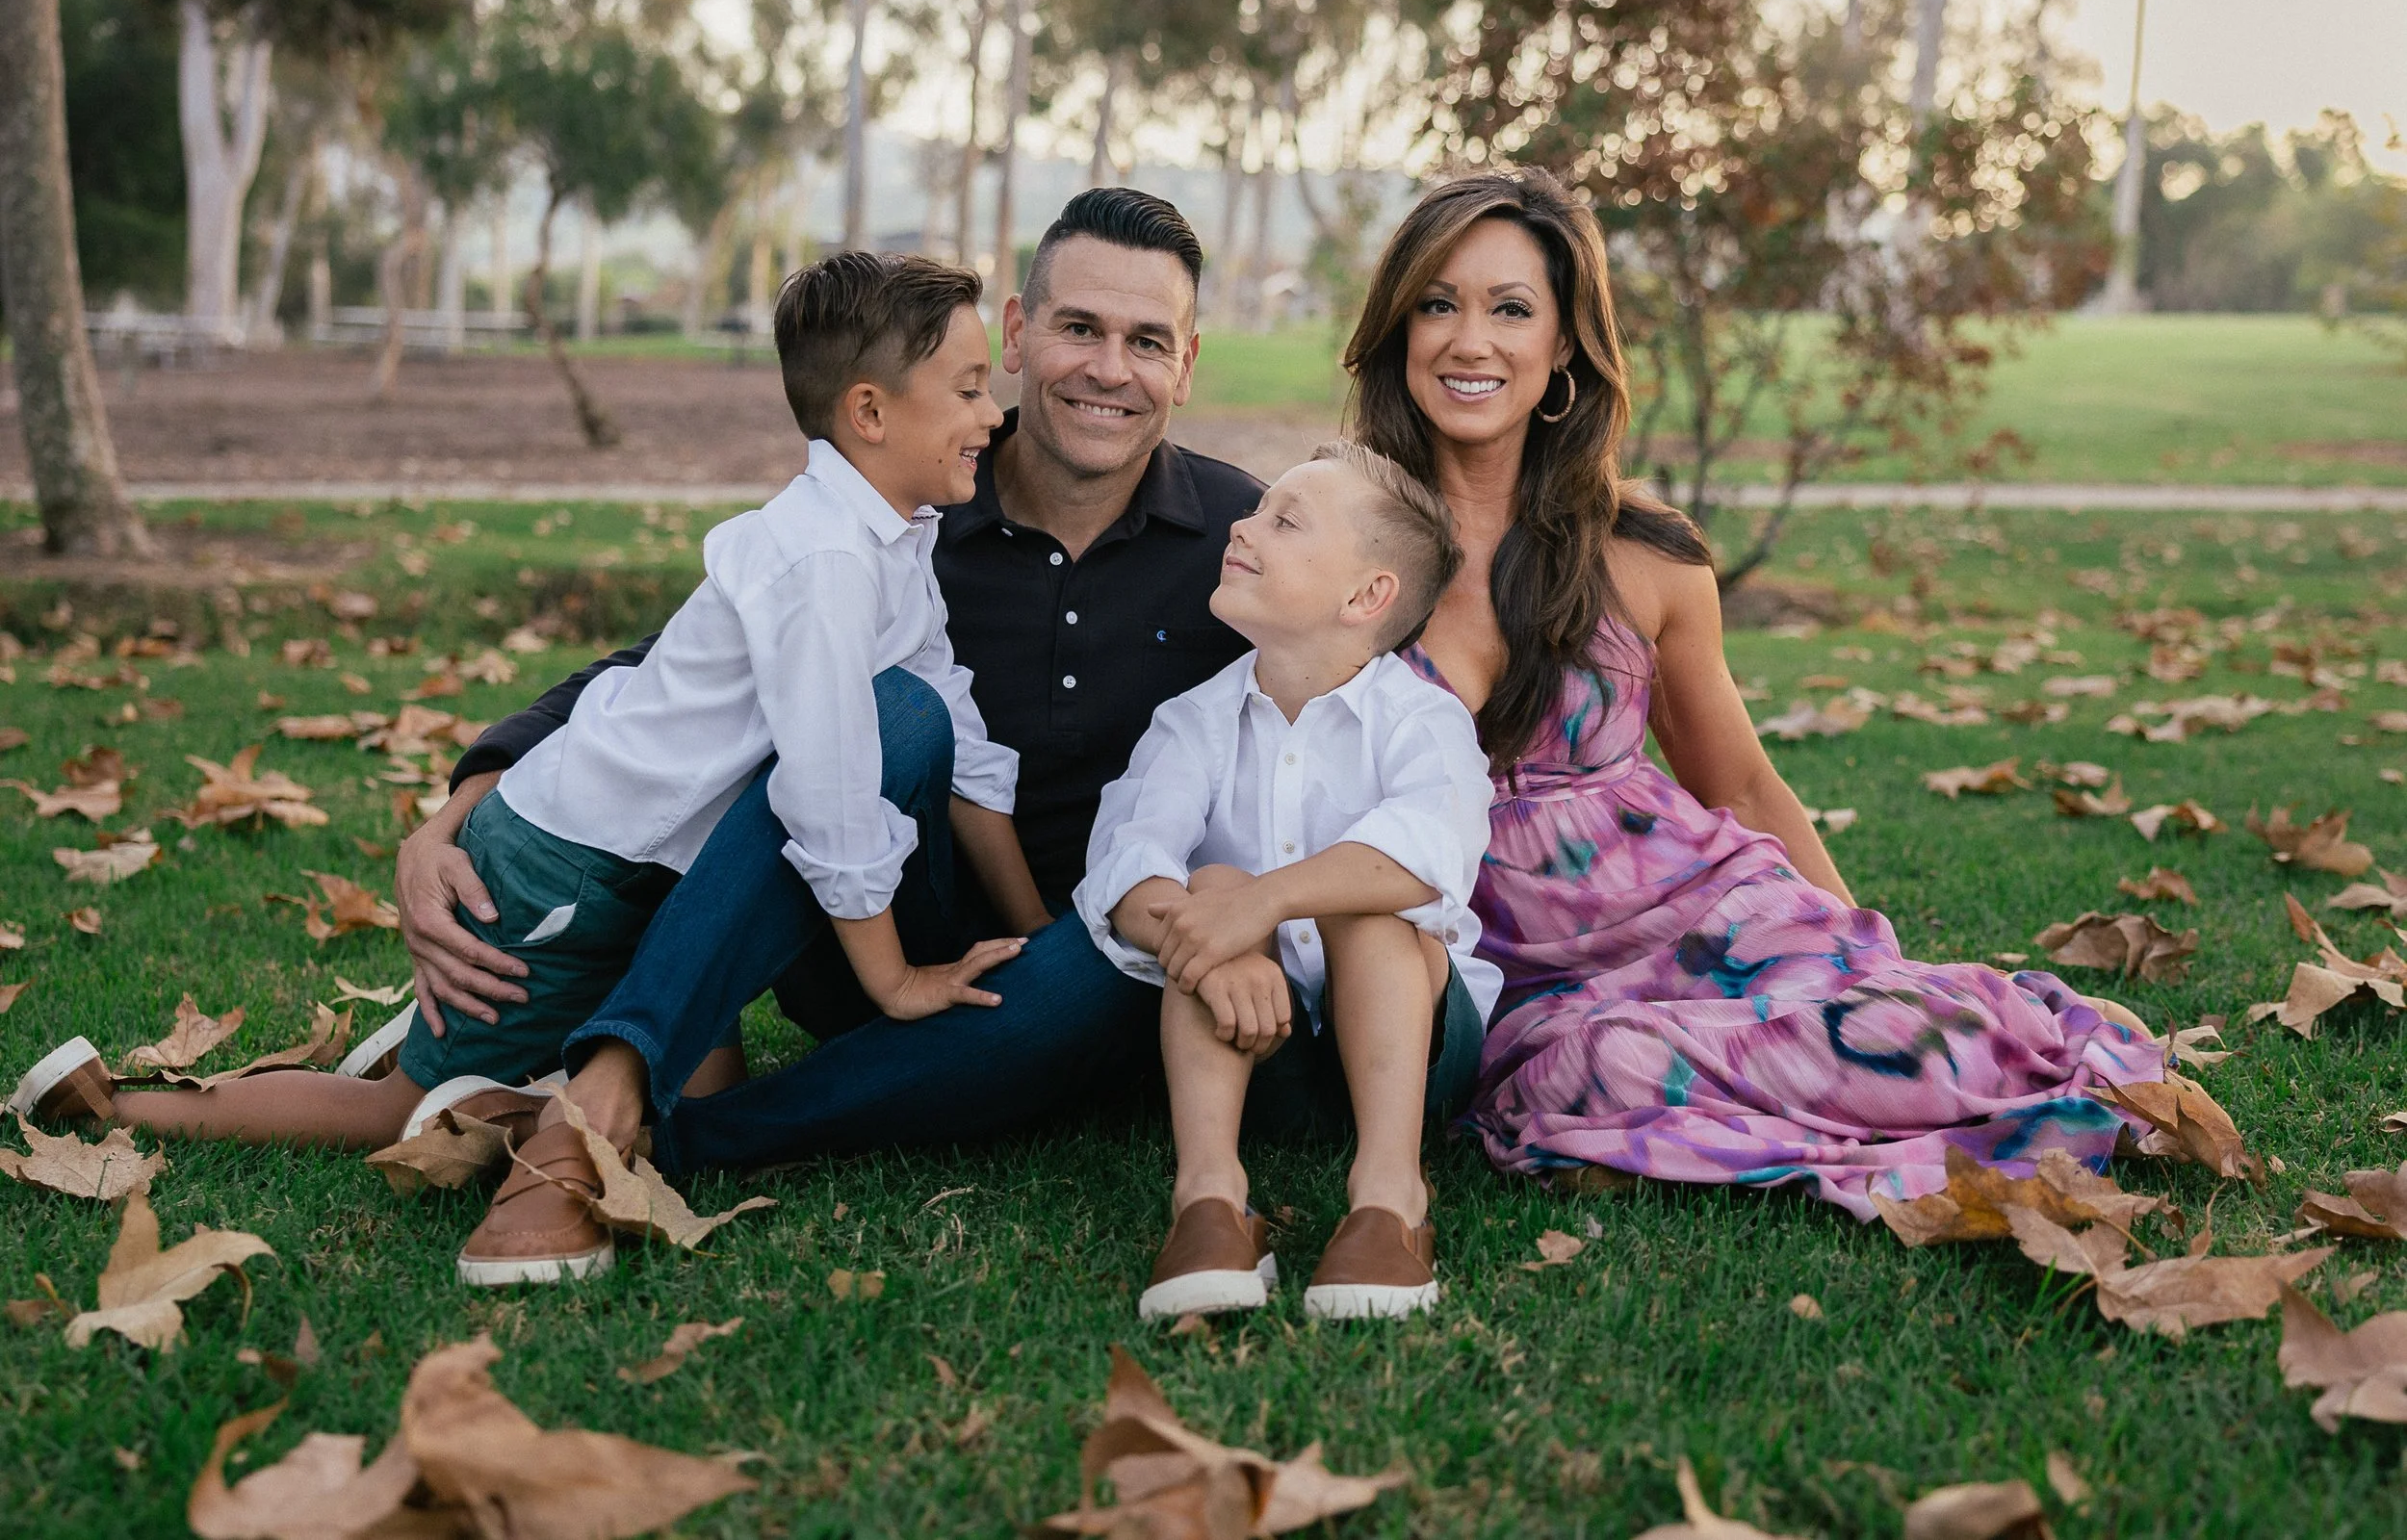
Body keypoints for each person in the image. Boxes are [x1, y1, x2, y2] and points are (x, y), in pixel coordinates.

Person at [7, 251, 1037, 1288]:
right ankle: (117, 1103)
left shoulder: (897, 538)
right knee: (397, 1108)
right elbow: (825, 794)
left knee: (703, 1101)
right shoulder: (823, 563)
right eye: (966, 387)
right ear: (868, 410)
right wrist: (894, 979)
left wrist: (1036, 931)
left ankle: (528, 1077)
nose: (993, 413)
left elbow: (957, 732)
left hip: (672, 872)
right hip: (570, 869)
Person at [393, 190, 1263, 1229]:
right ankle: (609, 1084)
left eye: (1147, 340)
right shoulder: (900, 493)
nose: (1110, 368)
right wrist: (462, 803)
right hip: (865, 929)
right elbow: (675, 661)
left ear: (1189, 361)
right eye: (1080, 328)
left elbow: (1342, 692)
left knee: (1107, 967)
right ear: (1023, 332)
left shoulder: (1244, 537)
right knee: (881, 718)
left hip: (1074, 949)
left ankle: (679, 1130)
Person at [1339, 168, 2164, 1218]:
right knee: (1586, 1081)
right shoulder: (1337, 547)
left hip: (1712, 918)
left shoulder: (1647, 560)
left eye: (1511, 309)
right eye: (1437, 303)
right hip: (1530, 985)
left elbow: (1740, 785)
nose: (1470, 340)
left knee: (1918, 1038)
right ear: (1398, 328)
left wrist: (1873, 964)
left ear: (1560, 352)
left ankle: (1919, 1044)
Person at [1077, 443, 1498, 1322]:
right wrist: (1205, 937)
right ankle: (1210, 1200)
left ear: (1364, 597)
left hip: (1411, 1054)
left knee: (1366, 905)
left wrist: (1255, 907)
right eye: (1258, 509)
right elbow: (1125, 860)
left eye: (1285, 520)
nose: (1242, 525)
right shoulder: (1193, 720)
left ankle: (1390, 1199)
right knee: (1208, 880)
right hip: (1253, 1041)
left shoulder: (1422, 718)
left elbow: (1425, 850)